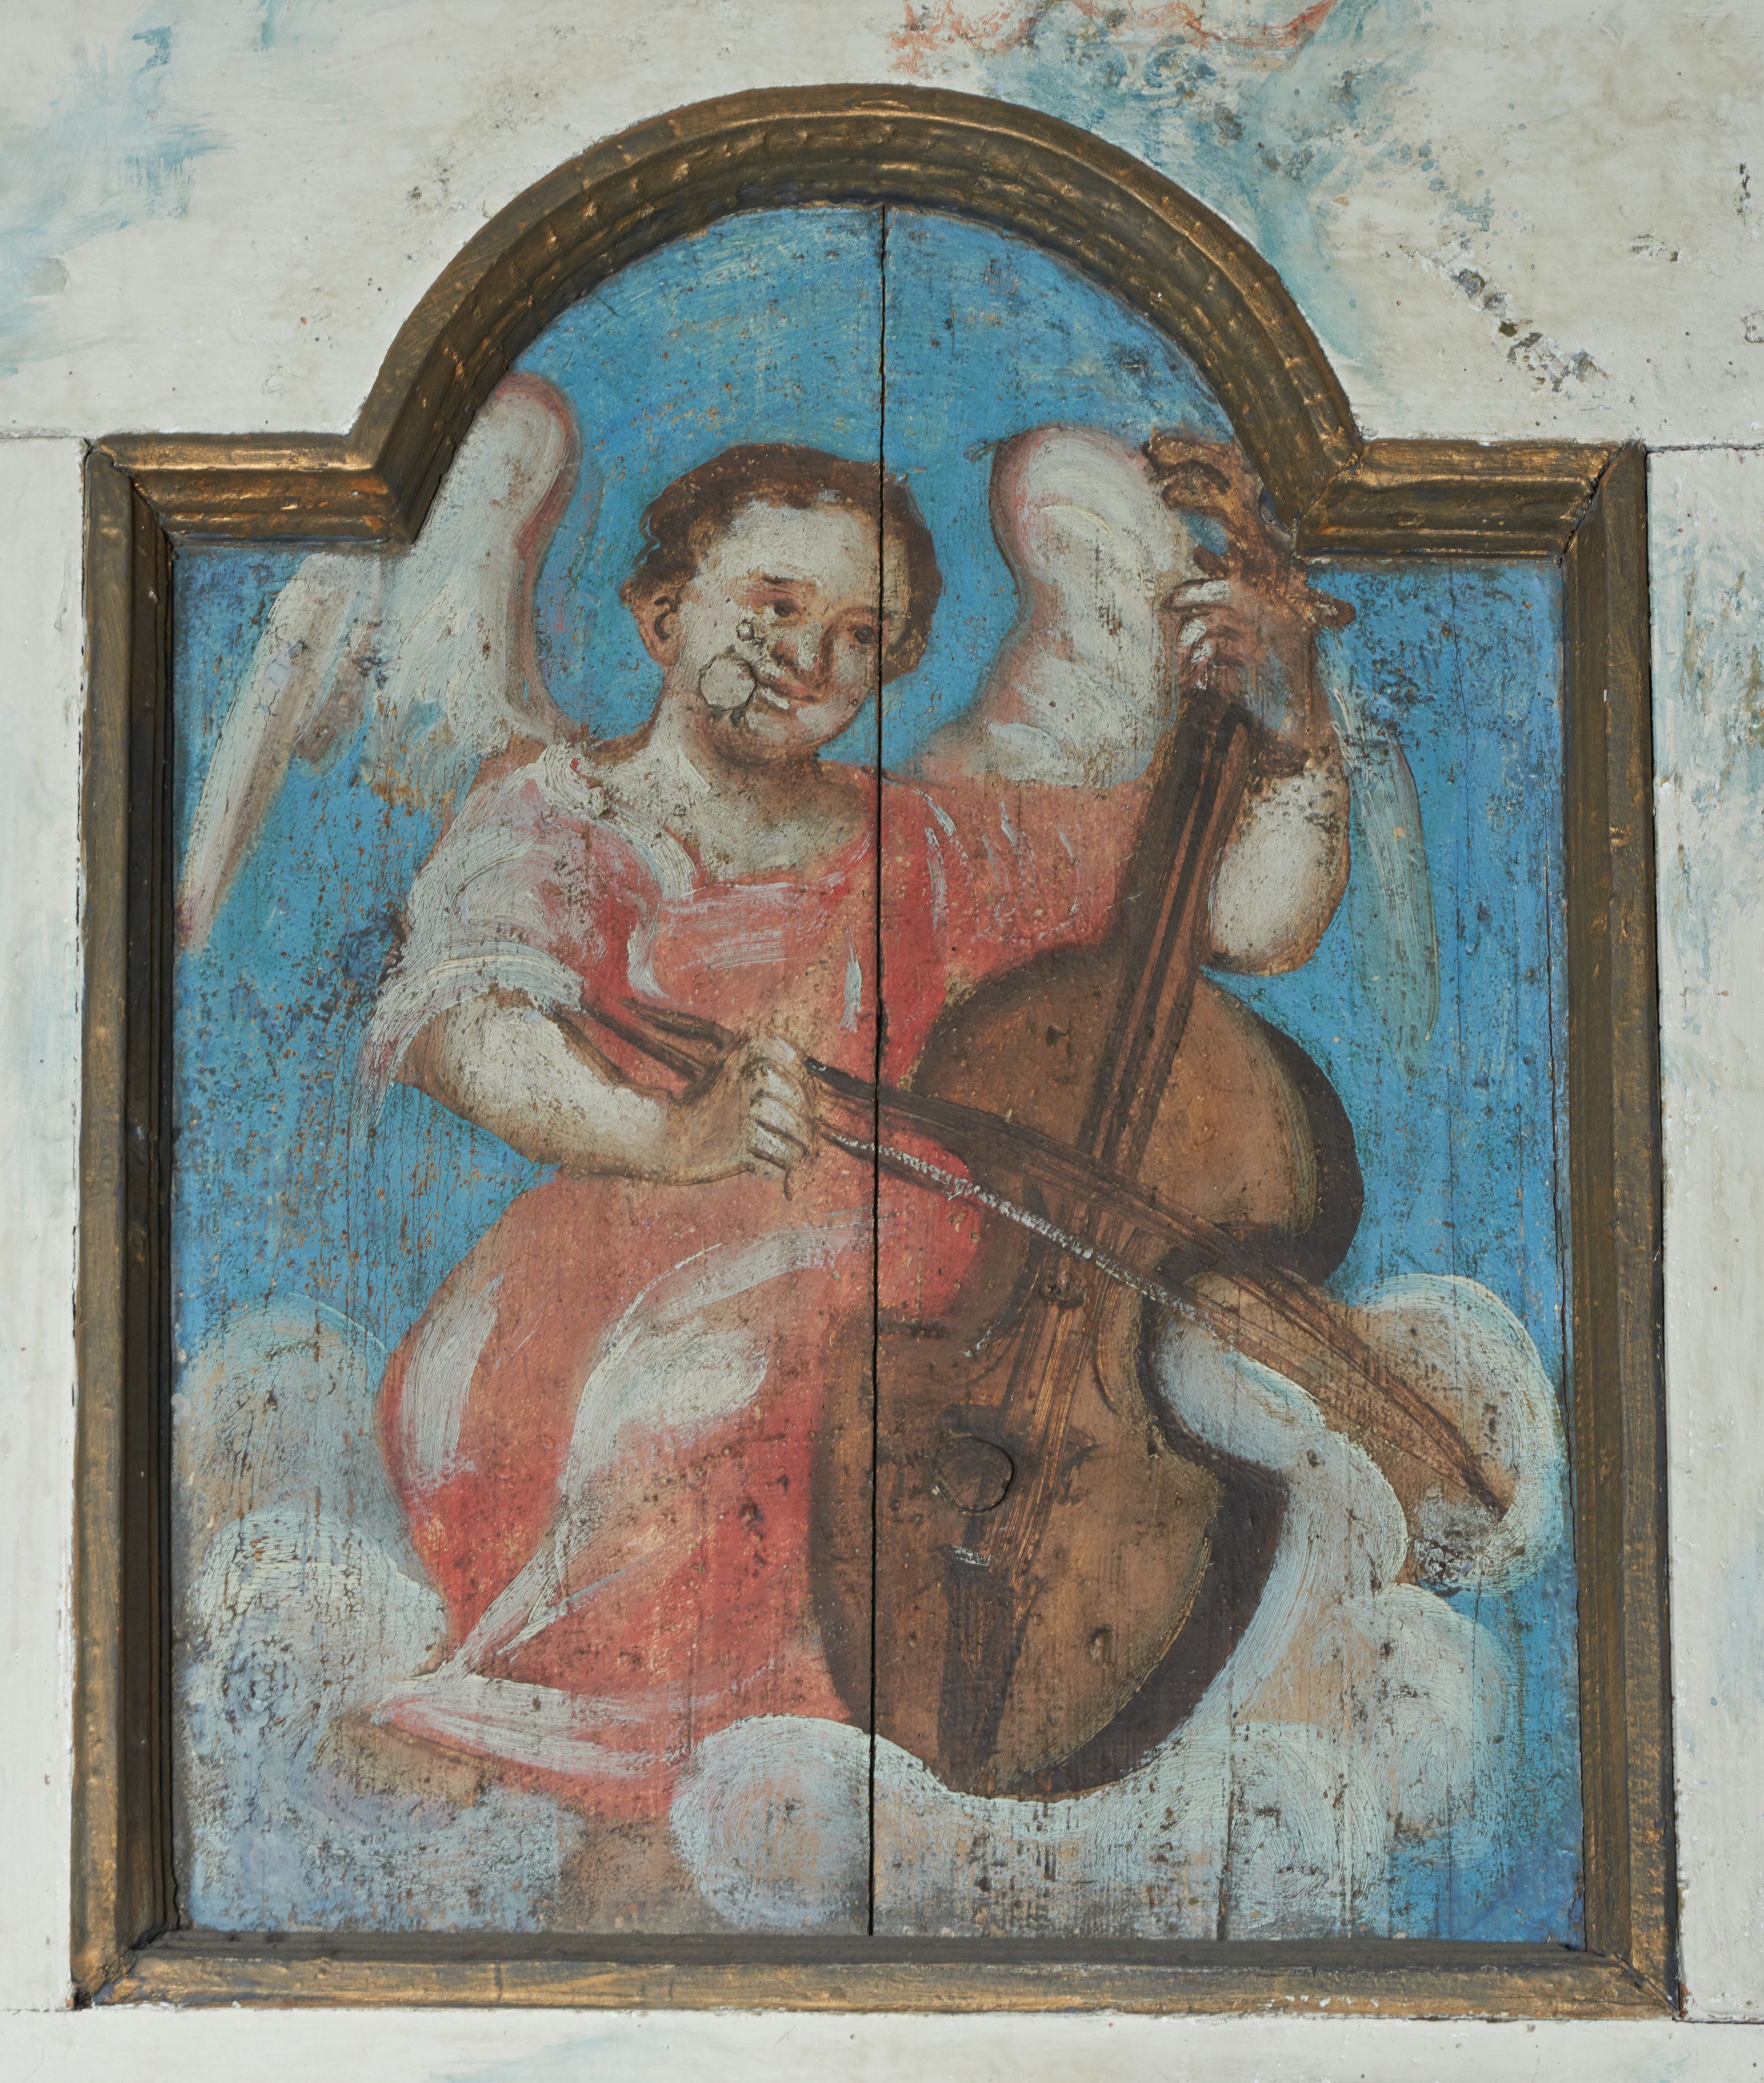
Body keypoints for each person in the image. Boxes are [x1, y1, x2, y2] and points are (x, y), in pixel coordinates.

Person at [356, 430, 1382, 1831]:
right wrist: (669, 1137)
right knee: (726, 1389)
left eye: (861, 635)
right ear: (663, 614)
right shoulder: (560, 811)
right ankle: (537, 1726)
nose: (810, 656)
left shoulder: (940, 841)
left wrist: (1293, 716)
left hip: (909, 1313)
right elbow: (467, 1025)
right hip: (608, 1300)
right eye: (774, 605)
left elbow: (1252, 919)